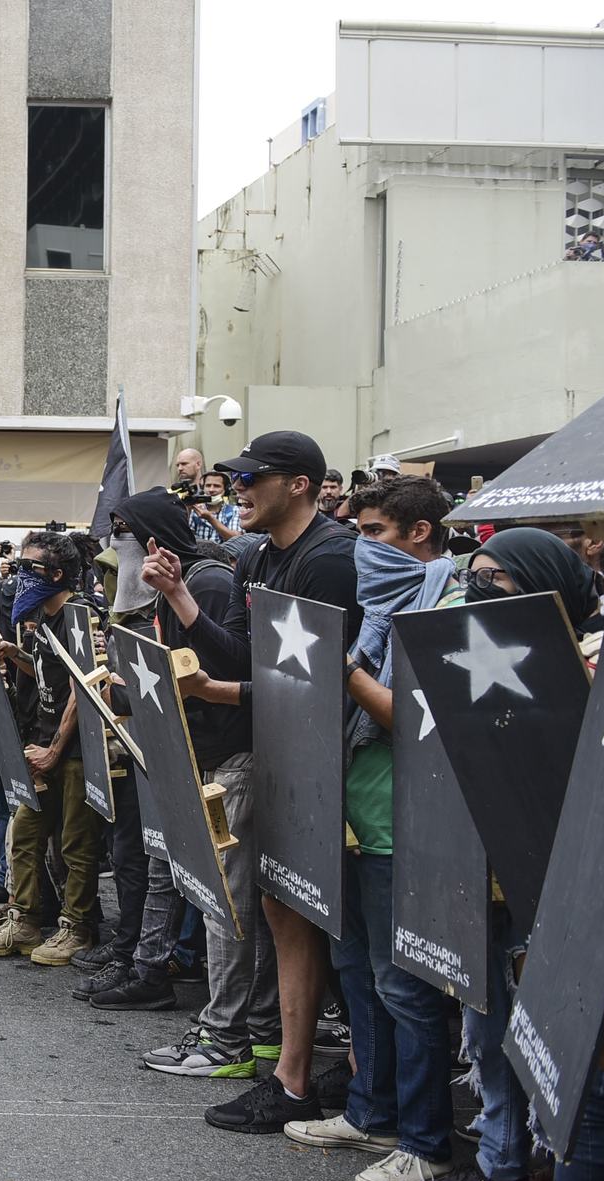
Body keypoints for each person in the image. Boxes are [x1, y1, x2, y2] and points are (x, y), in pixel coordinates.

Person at [148, 430, 361, 1135]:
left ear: (299, 483)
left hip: (332, 769)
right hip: (281, 755)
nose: (236, 490)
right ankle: (292, 1080)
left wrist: (226, 693)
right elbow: (249, 657)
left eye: (251, 478)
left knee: (339, 931)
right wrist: (182, 599)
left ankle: (355, 1082)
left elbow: (323, 683)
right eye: (233, 479)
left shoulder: (331, 558)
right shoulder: (260, 555)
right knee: (282, 913)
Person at [411, 526, 604, 1181]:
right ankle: (501, 1165)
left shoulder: (592, 658)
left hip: (560, 877)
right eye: (474, 574)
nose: (477, 589)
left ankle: (548, 1173)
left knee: (549, 1032)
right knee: (487, 1023)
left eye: (497, 579)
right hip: (488, 866)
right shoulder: (468, 648)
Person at [276, 475, 459, 1181]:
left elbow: (412, 723)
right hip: (350, 824)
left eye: (375, 532)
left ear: (419, 534)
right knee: (357, 975)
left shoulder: (444, 606)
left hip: (399, 831)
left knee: (406, 990)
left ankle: (425, 1142)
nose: (361, 547)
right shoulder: (381, 609)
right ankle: (371, 1111)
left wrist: (344, 670)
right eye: (358, 531)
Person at [92, 491, 278, 1092]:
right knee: (226, 902)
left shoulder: (209, 583)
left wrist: (177, 596)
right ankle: (255, 1025)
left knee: (230, 908)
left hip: (233, 765)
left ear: (154, 537)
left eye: (125, 531)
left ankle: (228, 1037)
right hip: (210, 760)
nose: (116, 544)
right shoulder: (175, 586)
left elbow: (230, 670)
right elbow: (178, 678)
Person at [0, 531, 106, 966]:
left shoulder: (79, 617)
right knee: (26, 835)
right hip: (43, 746)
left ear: (57, 573)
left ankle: (77, 928)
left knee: (75, 845)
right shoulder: (46, 619)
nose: (20, 576)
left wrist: (53, 751)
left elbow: (81, 690)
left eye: (30, 568)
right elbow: (49, 674)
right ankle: (24, 919)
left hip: (75, 753)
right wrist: (14, 653)